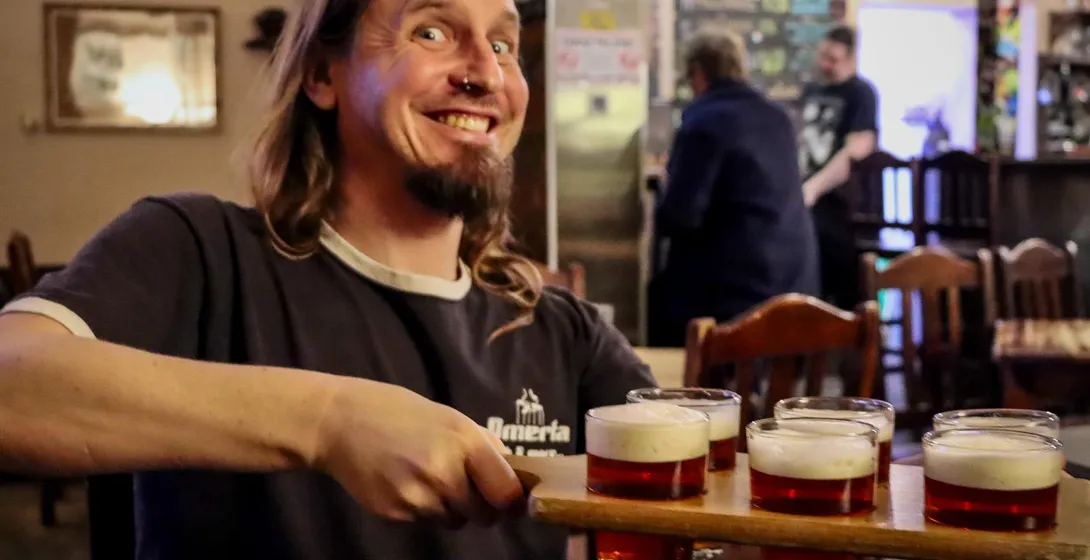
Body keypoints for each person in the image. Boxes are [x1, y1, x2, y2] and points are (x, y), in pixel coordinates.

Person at [0, 0, 655, 558]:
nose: (487, 73)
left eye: (504, 44)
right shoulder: (200, 251)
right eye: (431, 30)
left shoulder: (563, 331)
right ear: (321, 73)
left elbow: (699, 488)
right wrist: (330, 423)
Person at [651, 29, 819, 347]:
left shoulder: (704, 122)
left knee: (663, 294)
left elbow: (680, 217)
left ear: (698, 74)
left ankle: (678, 386)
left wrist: (663, 189)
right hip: (797, 287)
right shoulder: (779, 117)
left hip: (736, 301)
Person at [798, 25, 878, 310]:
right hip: (807, 201)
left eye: (833, 59)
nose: (824, 65)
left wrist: (813, 188)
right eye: (822, 56)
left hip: (842, 205)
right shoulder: (811, 90)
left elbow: (855, 150)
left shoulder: (861, 94)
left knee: (841, 289)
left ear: (851, 58)